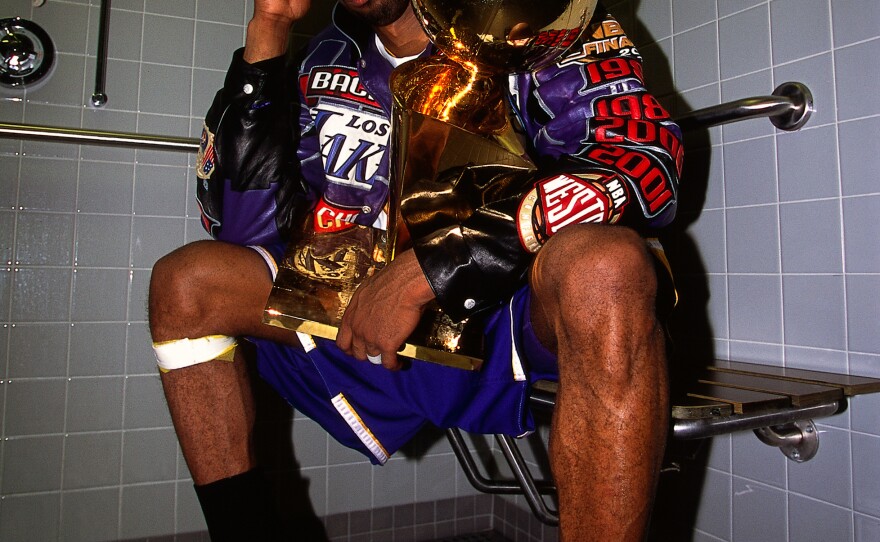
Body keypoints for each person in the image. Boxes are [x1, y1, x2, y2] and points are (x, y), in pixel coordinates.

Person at [148, 0, 683, 540]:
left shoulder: (537, 22)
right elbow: (243, 234)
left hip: (500, 311)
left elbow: (641, 161)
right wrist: (269, 33)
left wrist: (433, 268)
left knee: (608, 266)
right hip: (352, 312)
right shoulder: (322, 58)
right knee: (188, 284)